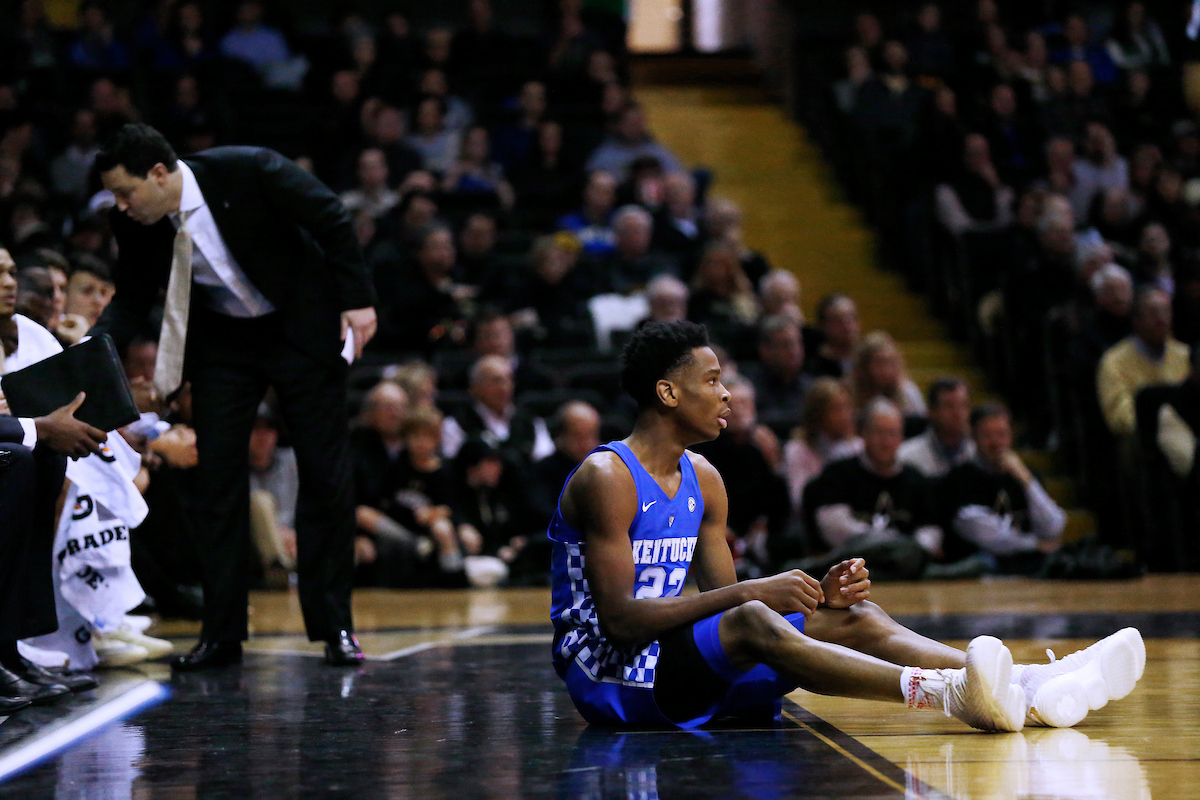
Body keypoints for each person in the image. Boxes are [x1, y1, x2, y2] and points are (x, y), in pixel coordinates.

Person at [548, 321, 1143, 731]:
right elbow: (622, 622)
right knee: (758, 615)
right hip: (612, 677)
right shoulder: (608, 476)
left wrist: (813, 607)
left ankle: (1031, 684)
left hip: (678, 667)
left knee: (851, 615)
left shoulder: (704, 478)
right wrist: (761, 595)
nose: (727, 394)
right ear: (667, 392)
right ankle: (944, 692)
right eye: (711, 381)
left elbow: (719, 606)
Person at [92, 123, 377, 670]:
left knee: (324, 475)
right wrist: (85, 352)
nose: (122, 206)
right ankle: (222, 634)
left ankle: (334, 625)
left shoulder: (250, 168)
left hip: (300, 329)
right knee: (216, 480)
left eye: (127, 192)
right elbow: (129, 299)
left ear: (158, 174)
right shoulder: (138, 223)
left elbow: (333, 219)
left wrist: (358, 300)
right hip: (225, 343)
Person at [940, 404, 1066, 573]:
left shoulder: (1024, 475)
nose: (996, 443)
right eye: (987, 435)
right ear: (973, 438)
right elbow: (987, 536)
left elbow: (1053, 527)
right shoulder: (959, 479)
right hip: (984, 566)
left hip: (1028, 564)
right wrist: (1035, 544)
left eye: (1002, 434)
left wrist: (1027, 481)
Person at [1097, 287, 1190, 437]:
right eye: (1153, 313)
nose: (1161, 319)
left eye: (1166, 311)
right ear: (1137, 321)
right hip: (1144, 439)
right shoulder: (1114, 361)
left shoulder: (1184, 354)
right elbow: (1119, 419)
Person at [898, 378, 976, 478]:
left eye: (963, 405)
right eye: (949, 406)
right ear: (931, 411)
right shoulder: (906, 457)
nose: (958, 413)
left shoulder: (978, 454)